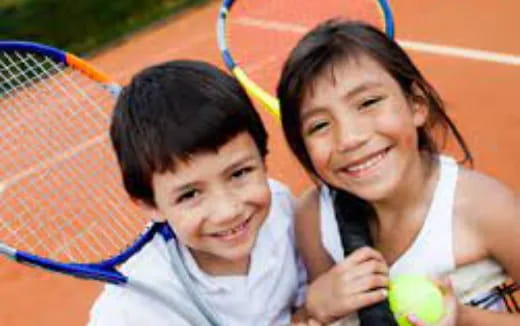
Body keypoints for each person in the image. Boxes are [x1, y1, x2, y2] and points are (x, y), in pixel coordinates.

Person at [277, 20, 520, 326]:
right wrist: (314, 309)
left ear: (416, 104)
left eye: (368, 103)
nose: (350, 137)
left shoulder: (487, 208)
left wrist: (464, 319)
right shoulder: (313, 217)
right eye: (320, 125)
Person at [87, 60, 307, 325]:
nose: (228, 211)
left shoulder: (282, 207)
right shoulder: (129, 311)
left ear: (262, 158)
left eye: (239, 174)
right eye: (190, 194)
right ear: (149, 204)